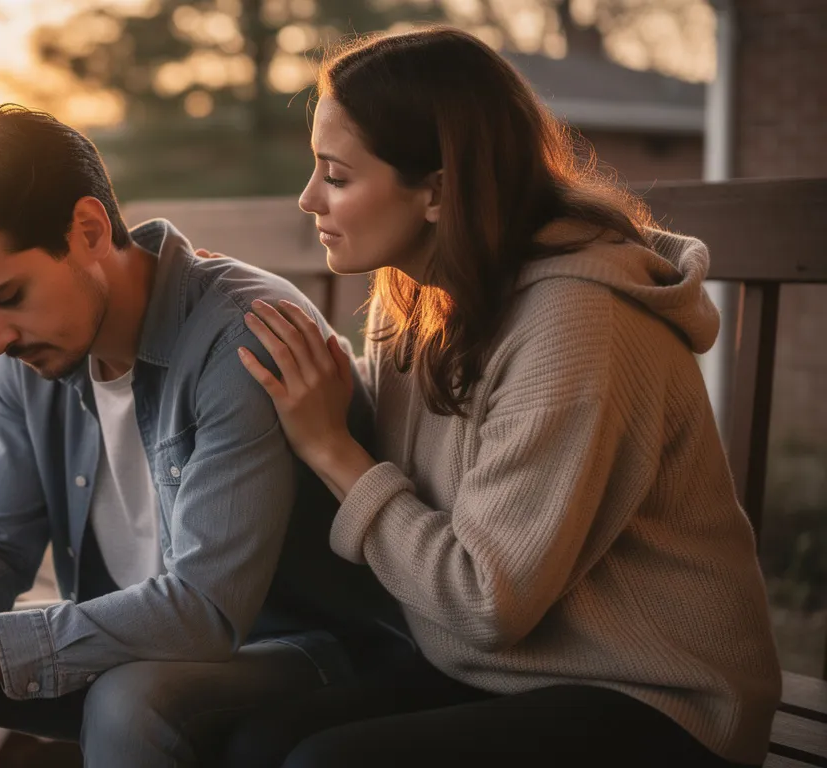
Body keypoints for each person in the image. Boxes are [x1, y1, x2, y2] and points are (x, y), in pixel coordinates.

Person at [0, 104, 410, 768]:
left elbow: (205, 610)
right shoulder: (32, 357)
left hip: (300, 650)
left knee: (130, 696)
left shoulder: (243, 336)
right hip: (139, 644)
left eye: (7, 295)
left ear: (88, 230)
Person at [224, 25, 783, 768]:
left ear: (438, 190)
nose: (307, 198)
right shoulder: (415, 292)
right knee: (257, 744)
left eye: (337, 175)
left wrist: (331, 448)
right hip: (500, 670)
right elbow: (408, 443)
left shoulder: (576, 322)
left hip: (657, 694)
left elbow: (485, 599)